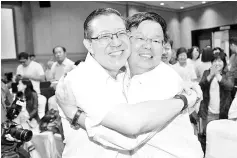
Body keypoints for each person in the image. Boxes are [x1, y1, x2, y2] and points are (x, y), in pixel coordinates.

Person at [56, 8, 202, 158]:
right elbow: (129, 137)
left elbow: (132, 134)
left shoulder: (159, 76)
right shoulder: (80, 80)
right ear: (89, 45)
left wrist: (76, 116)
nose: (116, 42)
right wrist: (185, 100)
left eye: (120, 34)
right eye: (104, 36)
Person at [198, 51, 234, 133]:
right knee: (208, 135)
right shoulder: (206, 72)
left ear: (224, 63)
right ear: (211, 63)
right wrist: (210, 75)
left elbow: (229, 86)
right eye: (214, 61)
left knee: (221, 136)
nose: (217, 63)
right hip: (208, 112)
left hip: (223, 112)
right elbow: (201, 86)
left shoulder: (228, 74)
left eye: (219, 61)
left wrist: (217, 74)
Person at [16, 52, 47, 119]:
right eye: (21, 62)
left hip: (33, 92)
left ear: (29, 59)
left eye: (24, 62)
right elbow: (17, 79)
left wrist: (30, 77)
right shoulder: (19, 67)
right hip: (22, 93)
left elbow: (42, 79)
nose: (22, 64)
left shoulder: (37, 66)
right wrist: (17, 78)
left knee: (34, 111)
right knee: (20, 111)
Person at [48, 46, 75, 110]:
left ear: (65, 53)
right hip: (57, 92)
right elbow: (51, 78)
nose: (58, 54)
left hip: (69, 94)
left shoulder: (71, 65)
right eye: (56, 53)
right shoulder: (54, 65)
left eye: (60, 52)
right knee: (51, 101)